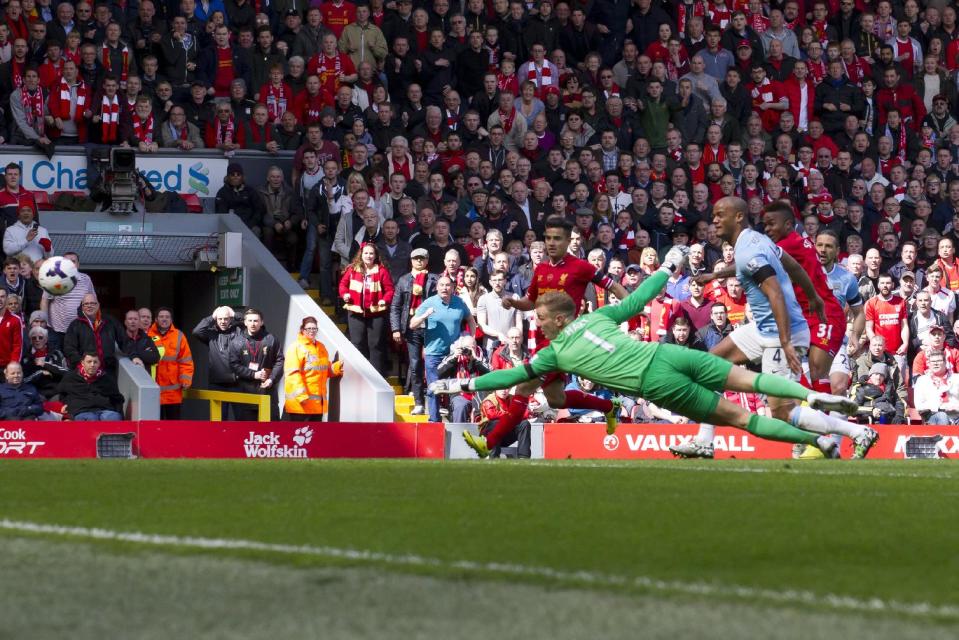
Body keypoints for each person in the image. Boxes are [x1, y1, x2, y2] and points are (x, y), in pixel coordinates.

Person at [433, 246, 869, 460]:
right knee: (749, 380)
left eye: (543, 318)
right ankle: (814, 399)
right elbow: (638, 300)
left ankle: (820, 441)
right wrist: (666, 268)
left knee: (746, 419)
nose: (539, 321)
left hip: (655, 382)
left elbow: (509, 378)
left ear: (560, 320)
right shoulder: (598, 318)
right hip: (664, 354)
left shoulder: (554, 355)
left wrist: (465, 381)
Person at [669, 197, 878, 459]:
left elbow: (776, 294)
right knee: (709, 364)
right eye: (713, 215)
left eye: (720, 214)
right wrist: (814, 296)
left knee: (782, 411)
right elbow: (792, 264)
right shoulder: (758, 242)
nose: (714, 220)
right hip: (764, 329)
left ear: (738, 217)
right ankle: (704, 441)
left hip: (780, 334)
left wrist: (786, 341)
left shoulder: (750, 250)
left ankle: (856, 433)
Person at [473, 215, 629, 450]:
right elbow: (530, 301)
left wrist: (631, 308)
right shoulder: (542, 269)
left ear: (568, 241)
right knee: (557, 399)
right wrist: (513, 303)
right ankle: (609, 407)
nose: (551, 243)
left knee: (523, 388)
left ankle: (488, 443)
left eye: (557, 238)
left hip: (565, 341)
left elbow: (613, 286)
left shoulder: (581, 267)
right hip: (543, 339)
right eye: (548, 238)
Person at [409, 274, 476, 423]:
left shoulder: (459, 302)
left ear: (452, 288)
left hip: (454, 353)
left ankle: (455, 419)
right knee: (434, 388)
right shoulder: (429, 303)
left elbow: (470, 319)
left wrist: (471, 338)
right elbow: (412, 324)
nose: (445, 288)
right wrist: (424, 316)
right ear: (437, 287)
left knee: (455, 388)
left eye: (448, 285)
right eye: (442, 285)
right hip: (434, 354)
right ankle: (434, 421)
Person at [389, 248, 437, 414]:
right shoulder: (403, 280)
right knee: (415, 365)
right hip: (412, 328)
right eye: (416, 259)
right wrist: (396, 328)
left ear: (427, 260)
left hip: (432, 328)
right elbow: (395, 306)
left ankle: (434, 402)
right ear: (411, 260)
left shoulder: (434, 279)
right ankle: (418, 402)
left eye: (422, 259)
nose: (419, 261)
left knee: (432, 365)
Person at [338, 243, 394, 375]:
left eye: (371, 254)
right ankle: (359, 375)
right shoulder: (352, 269)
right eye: (366, 253)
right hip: (355, 312)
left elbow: (390, 290)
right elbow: (343, 285)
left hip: (376, 313)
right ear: (361, 255)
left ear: (375, 256)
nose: (368, 256)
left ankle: (377, 376)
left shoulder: (382, 271)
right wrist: (344, 294)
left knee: (375, 345)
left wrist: (384, 300)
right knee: (357, 343)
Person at [283, 316, 343, 421]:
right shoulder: (296, 347)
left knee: (315, 436)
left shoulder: (321, 347)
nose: (312, 331)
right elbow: (292, 374)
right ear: (302, 330)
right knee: (298, 436)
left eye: (314, 328)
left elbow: (324, 370)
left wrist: (337, 367)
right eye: (308, 328)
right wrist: (301, 396)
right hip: (300, 406)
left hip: (317, 406)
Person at [228, 307, 283, 421]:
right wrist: (253, 375)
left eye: (256, 321)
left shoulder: (271, 339)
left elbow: (279, 361)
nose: (253, 324)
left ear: (261, 322)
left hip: (267, 391)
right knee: (246, 432)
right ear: (245, 322)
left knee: (270, 431)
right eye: (250, 321)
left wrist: (271, 379)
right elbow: (234, 365)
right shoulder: (236, 342)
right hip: (245, 392)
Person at [192, 306, 243, 418]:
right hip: (217, 383)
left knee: (241, 418)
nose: (223, 322)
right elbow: (196, 331)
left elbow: (250, 325)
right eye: (220, 319)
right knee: (219, 419)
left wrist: (235, 314)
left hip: (237, 383)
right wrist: (211, 317)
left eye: (226, 318)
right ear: (216, 319)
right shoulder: (211, 334)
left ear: (230, 319)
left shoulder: (238, 331)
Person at [40, 252, 94, 353]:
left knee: (78, 361)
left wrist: (92, 322)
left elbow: (93, 301)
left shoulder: (86, 279)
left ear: (78, 264)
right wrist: (45, 323)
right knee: (58, 362)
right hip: (57, 331)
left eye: (73, 261)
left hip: (80, 330)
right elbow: (44, 301)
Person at [148, 307, 194, 420]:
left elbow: (186, 361)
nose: (164, 319)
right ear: (156, 319)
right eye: (161, 317)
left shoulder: (179, 336)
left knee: (173, 426)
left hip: (172, 392)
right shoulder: (147, 335)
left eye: (167, 317)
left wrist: (186, 380)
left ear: (171, 320)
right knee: (154, 426)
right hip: (152, 391)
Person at [63, 293, 124, 372]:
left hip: (107, 370)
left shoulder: (110, 321)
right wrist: (82, 364)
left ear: (98, 305)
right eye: (86, 304)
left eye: (92, 303)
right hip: (83, 371)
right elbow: (69, 348)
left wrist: (134, 356)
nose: (89, 306)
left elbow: (124, 340)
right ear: (82, 307)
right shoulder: (75, 325)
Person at [435, 335, 489, 422]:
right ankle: (458, 434)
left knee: (485, 406)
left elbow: (490, 372)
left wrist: (475, 360)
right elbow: (438, 373)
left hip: (479, 393)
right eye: (466, 348)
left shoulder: (481, 356)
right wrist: (453, 359)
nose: (469, 351)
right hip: (459, 393)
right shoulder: (455, 356)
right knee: (460, 406)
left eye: (472, 348)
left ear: (476, 347)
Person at [58, 352, 125, 421]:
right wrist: (66, 404)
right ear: (82, 363)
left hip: (105, 410)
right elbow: (63, 393)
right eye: (89, 362)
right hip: (82, 410)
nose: (92, 365)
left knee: (114, 417)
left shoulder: (107, 378)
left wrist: (119, 413)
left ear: (99, 364)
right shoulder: (71, 377)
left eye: (95, 362)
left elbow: (118, 398)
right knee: (91, 419)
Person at [21, 325, 67, 398]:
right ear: (30, 341)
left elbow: (65, 372)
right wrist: (40, 373)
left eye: (40, 337)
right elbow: (24, 380)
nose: (37, 340)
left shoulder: (56, 353)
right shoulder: (26, 358)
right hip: (36, 392)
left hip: (56, 390)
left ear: (46, 339)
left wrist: (46, 365)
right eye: (34, 338)